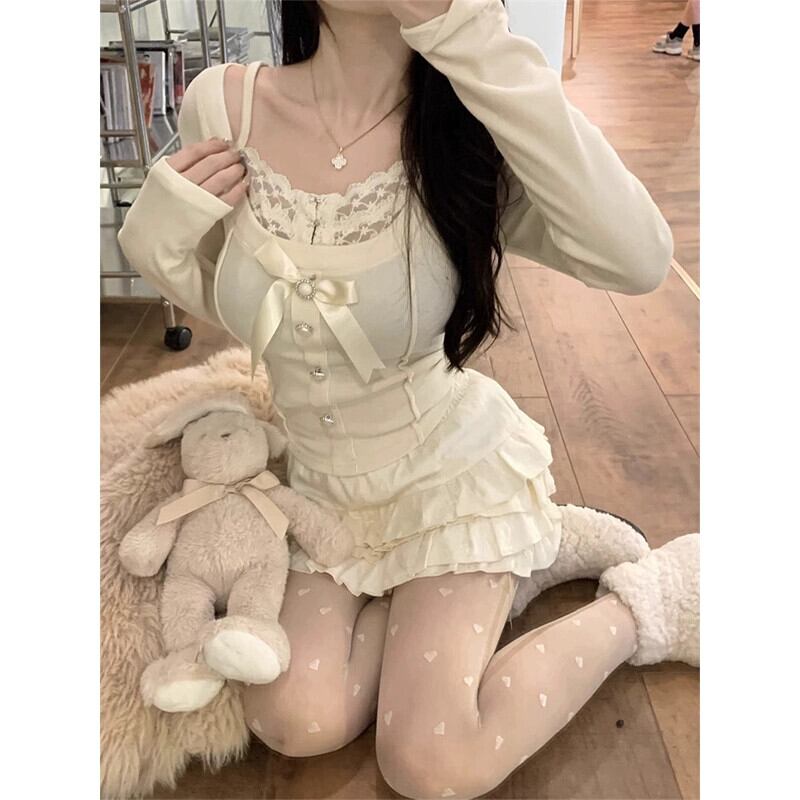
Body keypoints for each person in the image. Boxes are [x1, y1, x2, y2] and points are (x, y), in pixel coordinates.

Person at [117, 1, 700, 797]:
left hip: (450, 480)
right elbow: (253, 313)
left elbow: (638, 257)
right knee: (294, 718)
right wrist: (155, 245)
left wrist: (467, 34)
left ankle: (648, 600)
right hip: (323, 496)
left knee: (432, 759)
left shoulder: (471, 129)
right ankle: (521, 565)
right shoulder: (224, 105)